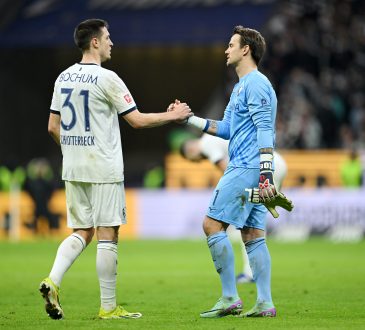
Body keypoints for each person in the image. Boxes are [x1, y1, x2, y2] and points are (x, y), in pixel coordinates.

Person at [41, 18, 192, 321]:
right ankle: (108, 307)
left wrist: (73, 151)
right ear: (94, 42)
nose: (112, 42)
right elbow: (135, 120)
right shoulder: (107, 78)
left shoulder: (62, 78)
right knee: (107, 234)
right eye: (108, 37)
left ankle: (52, 281)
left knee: (83, 230)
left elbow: (52, 127)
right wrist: (172, 115)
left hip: (73, 167)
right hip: (103, 168)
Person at [170, 26, 291, 318]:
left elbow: (265, 130)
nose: (226, 50)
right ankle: (264, 302)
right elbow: (226, 129)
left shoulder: (257, 84)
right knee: (252, 234)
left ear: (245, 49)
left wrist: (265, 174)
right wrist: (190, 119)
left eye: (231, 44)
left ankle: (229, 297)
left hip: (247, 167)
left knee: (212, 226)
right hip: (250, 166)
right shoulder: (240, 87)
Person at [180, 134, 288, 284]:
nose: (198, 162)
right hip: (274, 162)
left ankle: (252, 273)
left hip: (264, 168)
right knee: (254, 222)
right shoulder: (214, 137)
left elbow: (227, 170)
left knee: (249, 224)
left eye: (194, 160)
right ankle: (256, 271)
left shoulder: (206, 144)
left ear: (191, 149)